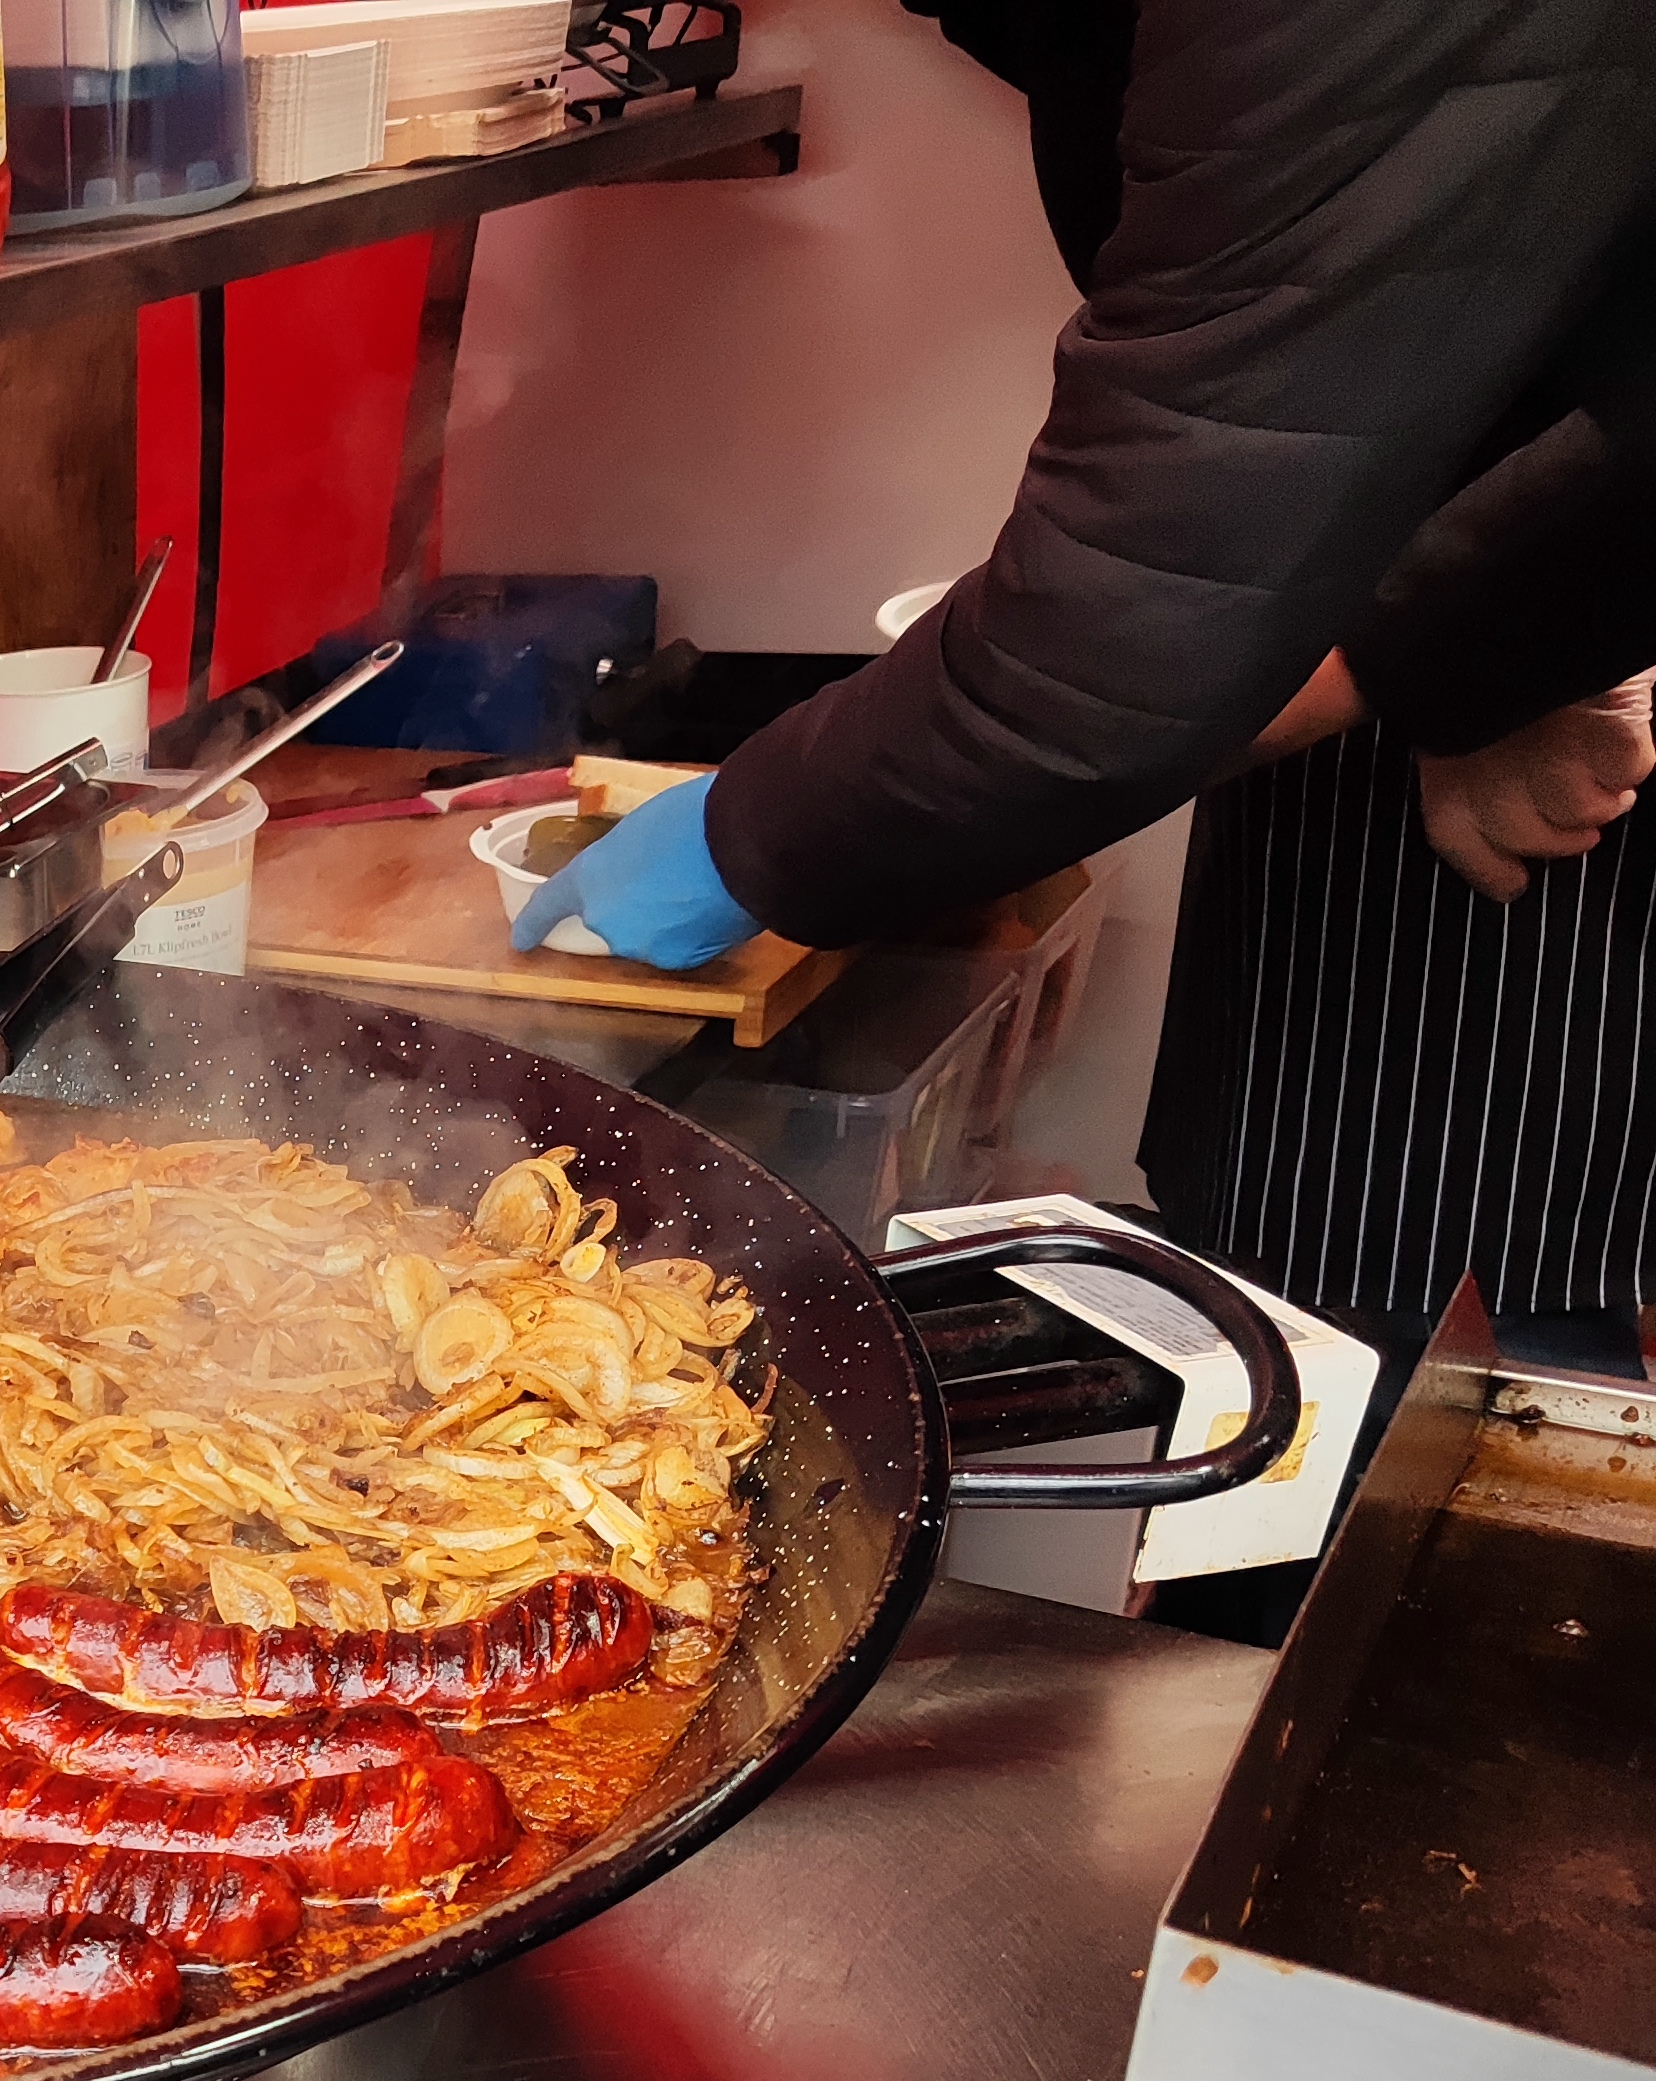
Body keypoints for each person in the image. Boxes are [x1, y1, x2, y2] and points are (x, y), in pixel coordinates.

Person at [515, 1, 1656, 1368]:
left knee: (1436, 1356)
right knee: (1285, 1256)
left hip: (1524, 669)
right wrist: (1458, 642)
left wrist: (734, 840)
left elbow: (1131, 634)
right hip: (1425, 584)